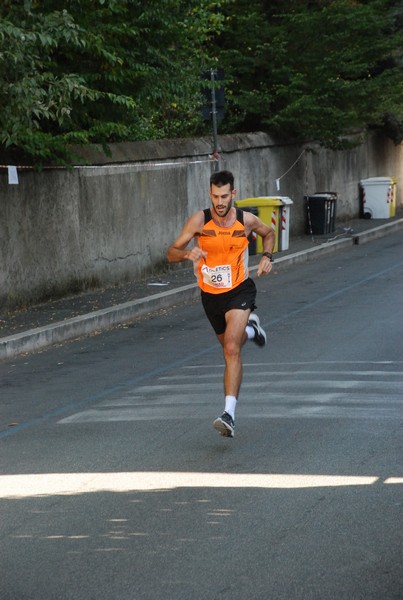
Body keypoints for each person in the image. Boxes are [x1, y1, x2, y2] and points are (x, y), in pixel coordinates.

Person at [167, 170, 275, 438]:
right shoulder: (199, 221)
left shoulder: (245, 220)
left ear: (233, 194)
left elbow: (269, 232)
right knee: (232, 345)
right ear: (210, 194)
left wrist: (267, 256)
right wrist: (186, 253)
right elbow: (171, 252)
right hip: (210, 296)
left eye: (224, 196)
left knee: (230, 349)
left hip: (239, 290)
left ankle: (229, 414)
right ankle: (252, 331)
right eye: (215, 196)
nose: (219, 201)